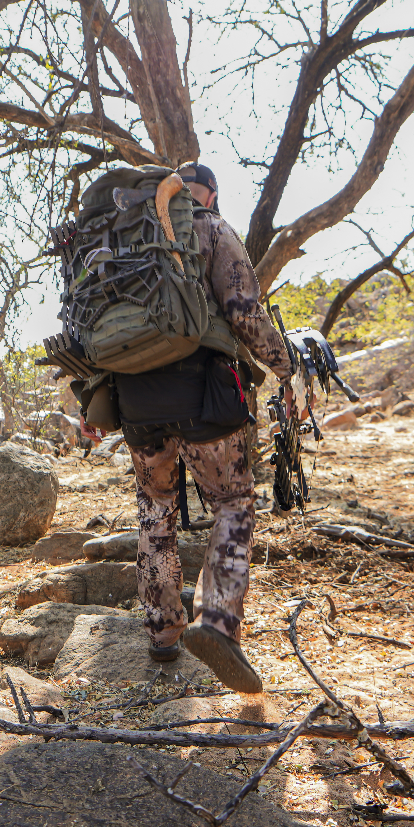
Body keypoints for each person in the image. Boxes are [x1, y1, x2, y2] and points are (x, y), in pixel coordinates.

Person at [115, 162, 294, 693]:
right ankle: (217, 622)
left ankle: (164, 632)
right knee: (234, 501)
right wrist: (286, 367)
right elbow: (242, 313)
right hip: (204, 398)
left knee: (154, 508)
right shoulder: (212, 228)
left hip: (137, 405)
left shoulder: (126, 242)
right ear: (210, 195)